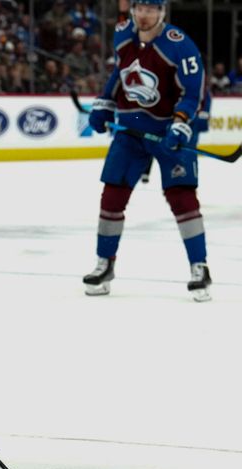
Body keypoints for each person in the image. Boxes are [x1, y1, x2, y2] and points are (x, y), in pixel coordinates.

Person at [83, 0, 212, 302]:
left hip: (167, 131)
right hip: (130, 130)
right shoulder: (123, 34)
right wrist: (105, 103)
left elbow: (192, 93)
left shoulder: (179, 45)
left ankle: (199, 267)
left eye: (150, 9)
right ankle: (104, 264)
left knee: (182, 197)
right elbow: (121, 72)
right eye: (139, 8)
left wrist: (180, 123)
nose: (143, 15)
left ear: (162, 12)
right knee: (112, 196)